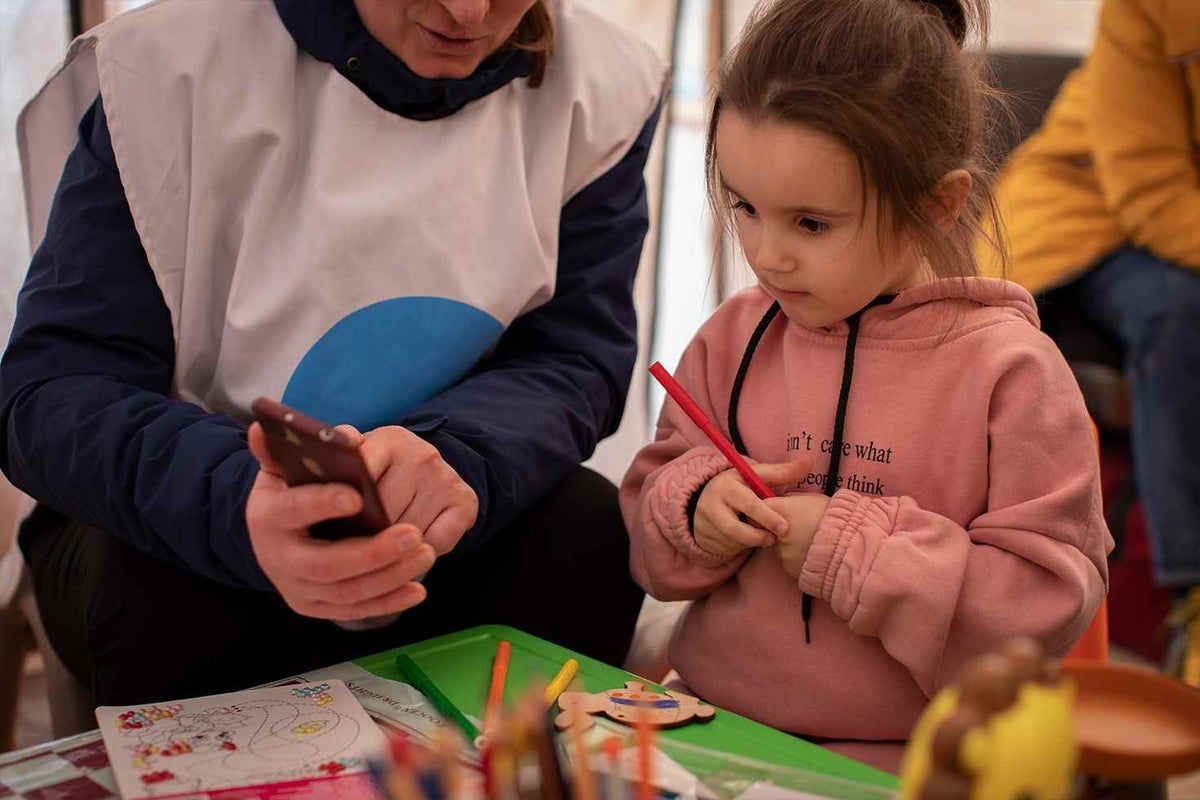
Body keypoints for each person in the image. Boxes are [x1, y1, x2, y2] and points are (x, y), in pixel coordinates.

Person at [1, 0, 665, 705]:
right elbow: (51, 394)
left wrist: (454, 459)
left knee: (590, 544)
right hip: (191, 521)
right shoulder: (165, 68)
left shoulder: (601, 88)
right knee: (157, 599)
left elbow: (574, 356)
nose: (470, 11)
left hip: (448, 512)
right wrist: (236, 504)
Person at [621, 0, 1110, 770]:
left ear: (937, 203)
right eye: (745, 208)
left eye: (811, 223)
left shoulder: (1011, 375)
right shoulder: (733, 337)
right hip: (708, 724)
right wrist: (695, 506)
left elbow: (1047, 605)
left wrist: (856, 550)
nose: (766, 255)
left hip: (916, 759)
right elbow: (649, 528)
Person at [980, 0, 1200, 687]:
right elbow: (1153, 192)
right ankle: (1192, 596)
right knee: (1182, 314)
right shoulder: (1155, 8)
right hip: (1082, 225)